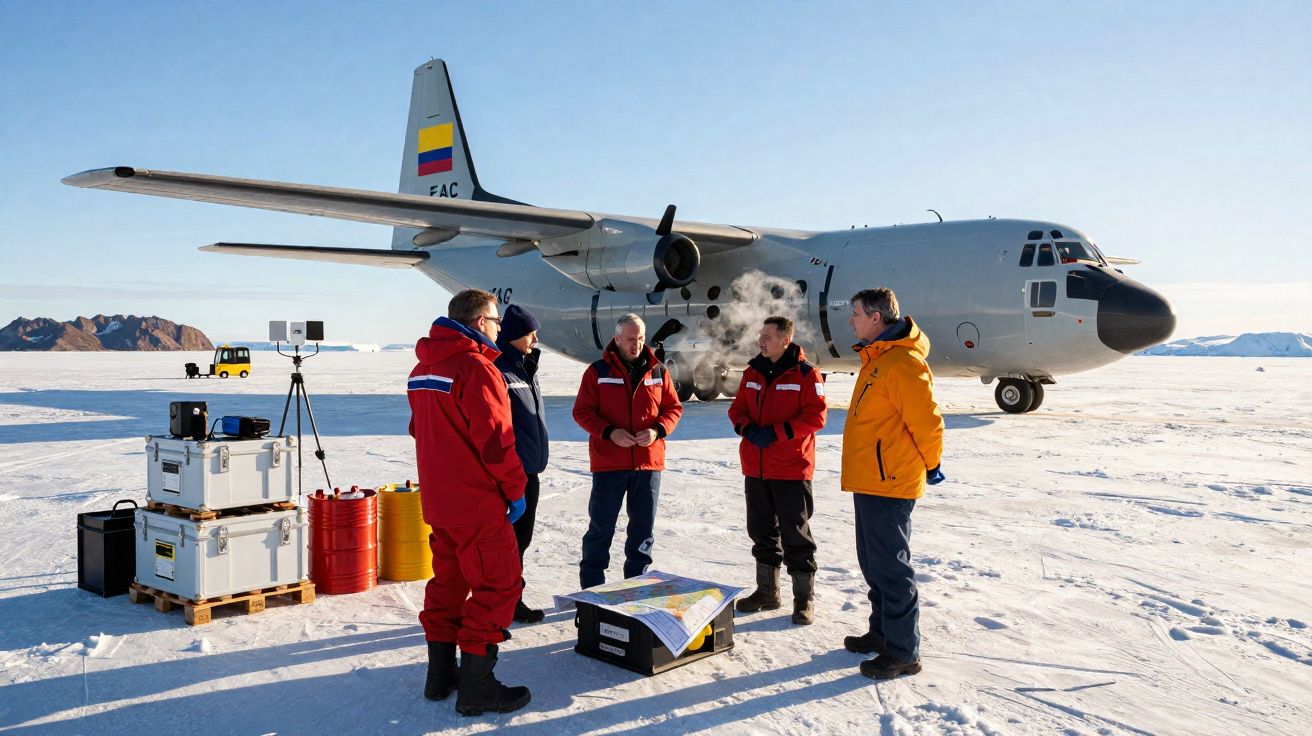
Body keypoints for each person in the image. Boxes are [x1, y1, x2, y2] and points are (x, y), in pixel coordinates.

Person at [408, 289, 531, 716]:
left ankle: (440, 676)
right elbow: (497, 442)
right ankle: (478, 687)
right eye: (496, 322)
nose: (499, 329)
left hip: (440, 503)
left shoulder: (422, 368)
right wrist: (515, 492)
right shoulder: (477, 368)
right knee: (499, 586)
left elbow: (418, 428)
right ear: (481, 322)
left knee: (448, 585)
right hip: (477, 505)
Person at [841, 287, 945, 680]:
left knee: (891, 568)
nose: (851, 319)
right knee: (873, 563)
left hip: (891, 481)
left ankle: (903, 651)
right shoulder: (877, 358)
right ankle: (882, 634)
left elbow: (927, 421)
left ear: (876, 317)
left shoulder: (902, 363)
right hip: (870, 478)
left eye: (855, 313)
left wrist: (933, 463)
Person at [728, 316, 828, 624]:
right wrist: (746, 427)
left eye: (768, 336)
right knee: (761, 532)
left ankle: (803, 601)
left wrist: (777, 432)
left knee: (795, 535)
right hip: (756, 467)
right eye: (761, 335)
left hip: (790, 468)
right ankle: (767, 592)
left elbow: (816, 417)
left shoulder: (806, 374)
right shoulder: (752, 372)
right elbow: (737, 409)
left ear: (785, 339)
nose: (761, 340)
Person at [572, 313, 683, 588]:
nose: (637, 344)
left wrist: (657, 430)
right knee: (601, 530)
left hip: (648, 464)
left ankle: (636, 590)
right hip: (610, 465)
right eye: (631, 339)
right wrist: (610, 432)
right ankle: (591, 594)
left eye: (641, 338)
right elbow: (582, 412)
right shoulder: (597, 371)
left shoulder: (658, 371)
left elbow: (673, 409)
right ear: (617, 339)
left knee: (642, 534)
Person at [493, 304, 550, 624]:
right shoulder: (501, 369)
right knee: (509, 542)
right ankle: (506, 601)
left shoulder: (525, 366)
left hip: (529, 471)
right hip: (512, 473)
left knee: (521, 540)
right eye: (530, 333)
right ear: (513, 335)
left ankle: (509, 597)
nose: (535, 338)